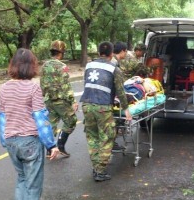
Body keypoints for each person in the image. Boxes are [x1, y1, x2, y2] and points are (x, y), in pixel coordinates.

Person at [0, 48, 60, 200]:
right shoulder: (32, 87)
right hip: (29, 141)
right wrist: (51, 144)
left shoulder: (4, 88)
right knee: (33, 186)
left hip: (11, 141)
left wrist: (5, 141)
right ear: (31, 66)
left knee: (22, 179)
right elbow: (40, 118)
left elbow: (2, 118)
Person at [80, 41, 132, 182]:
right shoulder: (114, 68)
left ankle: (96, 166)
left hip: (86, 105)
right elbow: (121, 92)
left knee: (92, 137)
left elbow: (89, 84)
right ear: (111, 53)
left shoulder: (89, 65)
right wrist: (126, 110)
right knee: (107, 137)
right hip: (102, 107)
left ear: (98, 53)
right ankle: (100, 171)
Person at [40, 40, 78, 158]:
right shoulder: (62, 67)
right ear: (61, 52)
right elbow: (66, 86)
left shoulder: (44, 65)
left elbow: (42, 84)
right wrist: (73, 101)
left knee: (52, 123)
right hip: (61, 101)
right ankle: (60, 146)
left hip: (48, 100)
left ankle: (49, 149)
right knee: (71, 121)